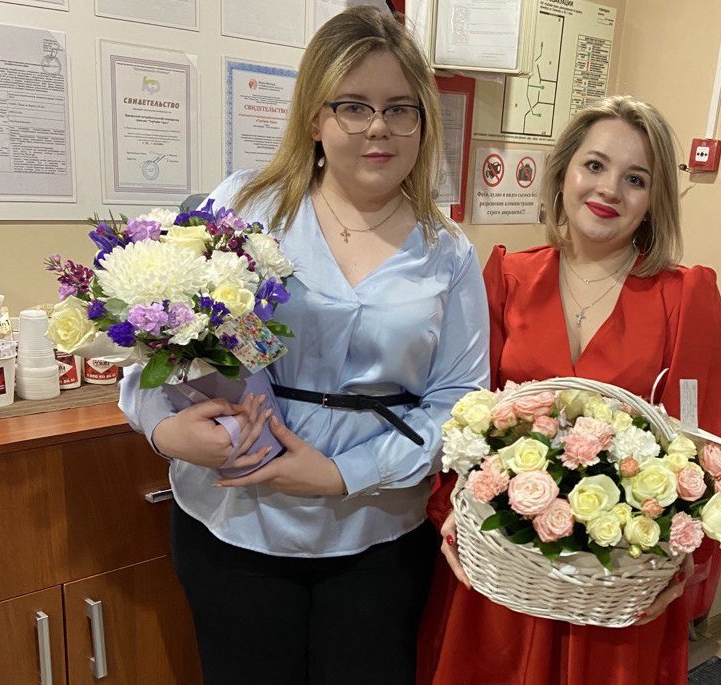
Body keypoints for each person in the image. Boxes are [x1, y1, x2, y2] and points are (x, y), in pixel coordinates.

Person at [119, 7, 489, 685]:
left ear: (422, 122)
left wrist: (343, 473)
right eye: (354, 105)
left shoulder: (448, 252)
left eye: (399, 108)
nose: (378, 126)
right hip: (236, 522)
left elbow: (460, 403)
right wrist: (163, 427)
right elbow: (155, 340)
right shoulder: (246, 207)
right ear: (316, 117)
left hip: (376, 534)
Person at [418, 95, 721, 685]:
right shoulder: (508, 276)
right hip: (506, 558)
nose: (610, 189)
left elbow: (699, 437)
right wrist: (451, 509)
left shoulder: (684, 297)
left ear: (654, 200)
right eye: (595, 165)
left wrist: (685, 558)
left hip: (615, 575)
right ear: (563, 174)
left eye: (635, 179)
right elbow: (468, 410)